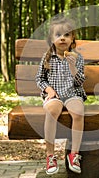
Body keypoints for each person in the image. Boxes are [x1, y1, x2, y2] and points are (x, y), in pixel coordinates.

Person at [36, 17, 87, 175]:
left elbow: (79, 82)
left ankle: (74, 155)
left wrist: (73, 68)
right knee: (52, 111)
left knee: (78, 113)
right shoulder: (47, 57)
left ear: (72, 39)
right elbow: (40, 79)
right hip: (55, 95)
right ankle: (50, 156)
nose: (62, 38)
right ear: (52, 39)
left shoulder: (77, 58)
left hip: (72, 93)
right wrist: (48, 89)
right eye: (58, 34)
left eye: (66, 34)